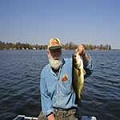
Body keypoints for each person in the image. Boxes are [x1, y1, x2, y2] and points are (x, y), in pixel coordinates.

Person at [38, 38, 93, 120]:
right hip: (52, 111)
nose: (56, 54)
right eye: (53, 51)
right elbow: (45, 97)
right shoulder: (44, 72)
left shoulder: (71, 64)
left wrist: (84, 55)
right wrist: (50, 116)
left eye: (58, 50)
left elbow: (88, 70)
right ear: (48, 53)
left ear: (61, 51)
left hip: (70, 113)